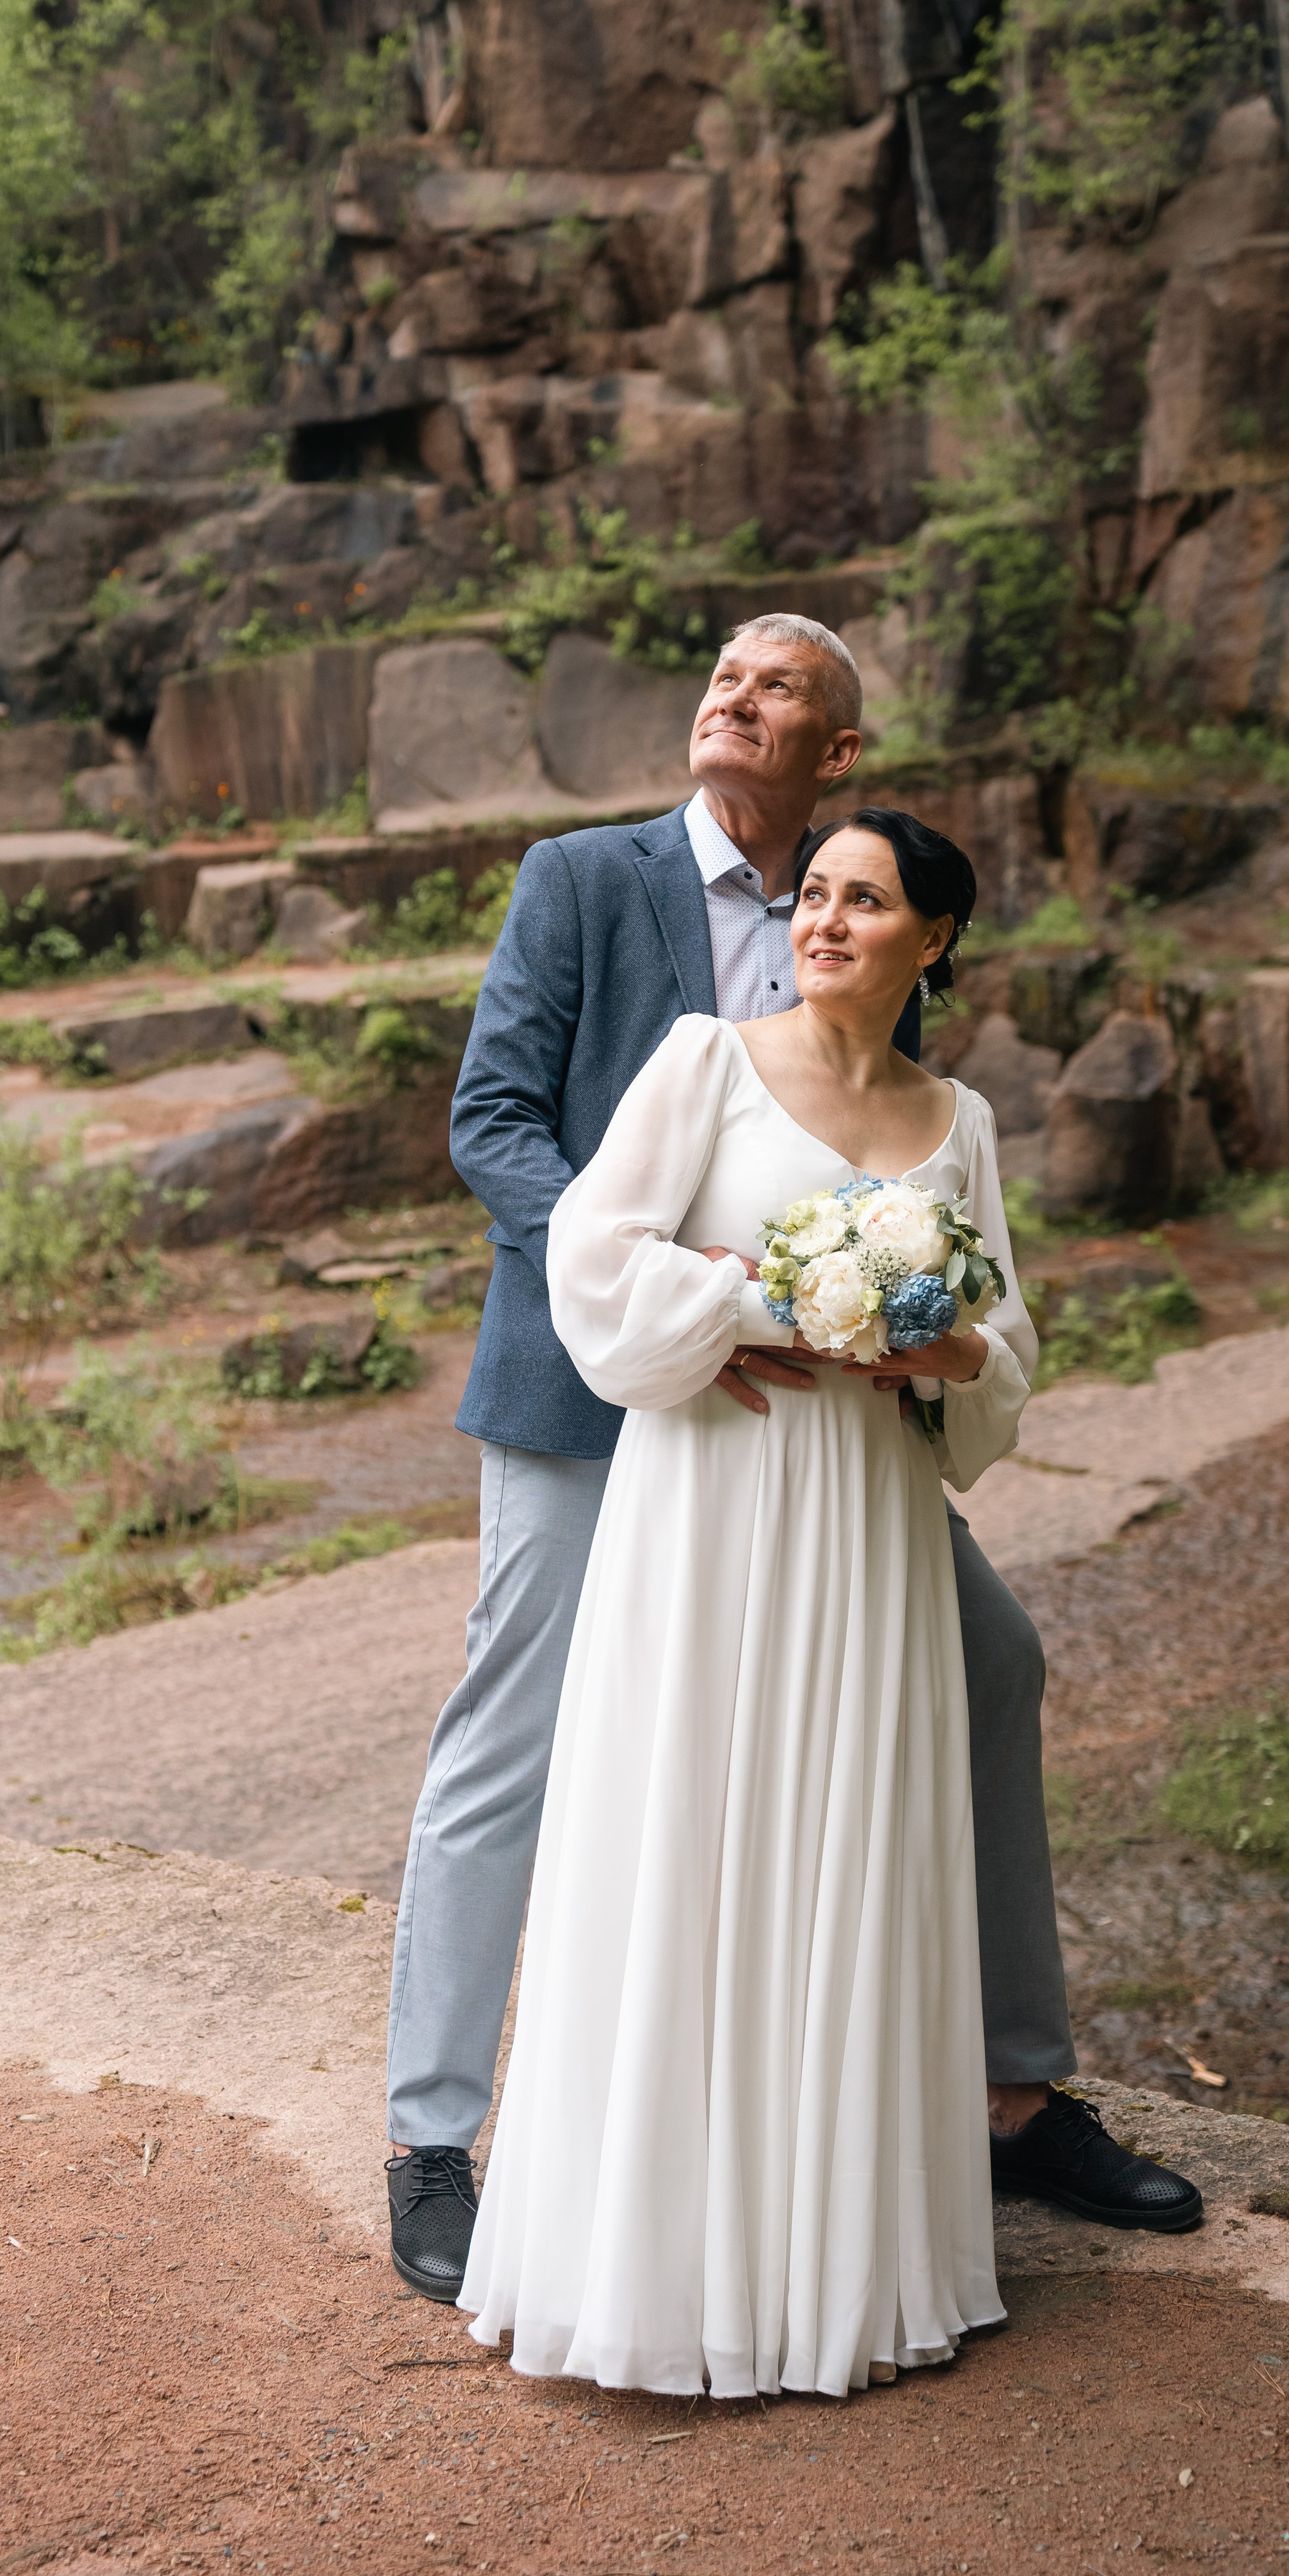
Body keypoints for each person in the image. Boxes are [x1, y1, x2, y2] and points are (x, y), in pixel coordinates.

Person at [384, 616, 1201, 2306]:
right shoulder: (583, 880)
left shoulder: (857, 894)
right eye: (720, 676)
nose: (729, 698)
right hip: (594, 1380)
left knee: (988, 1661)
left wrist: (877, 1317)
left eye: (775, 688)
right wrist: (693, 1300)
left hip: (824, 1425)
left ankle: (1005, 2095)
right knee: (515, 1731)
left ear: (835, 752)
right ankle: (435, 2137)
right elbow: (494, 1122)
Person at [464, 809, 1015, 2391]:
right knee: (695, 1831)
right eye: (815, 894)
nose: (824, 921)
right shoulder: (704, 1060)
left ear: (931, 941)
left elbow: (1002, 1343)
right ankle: (663, 2269)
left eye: (866, 901)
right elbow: (595, 1255)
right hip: (711, 1497)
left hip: (869, 1521)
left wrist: (943, 1348)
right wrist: (757, 1302)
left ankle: (836, 2270)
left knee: (847, 1836)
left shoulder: (959, 1122)